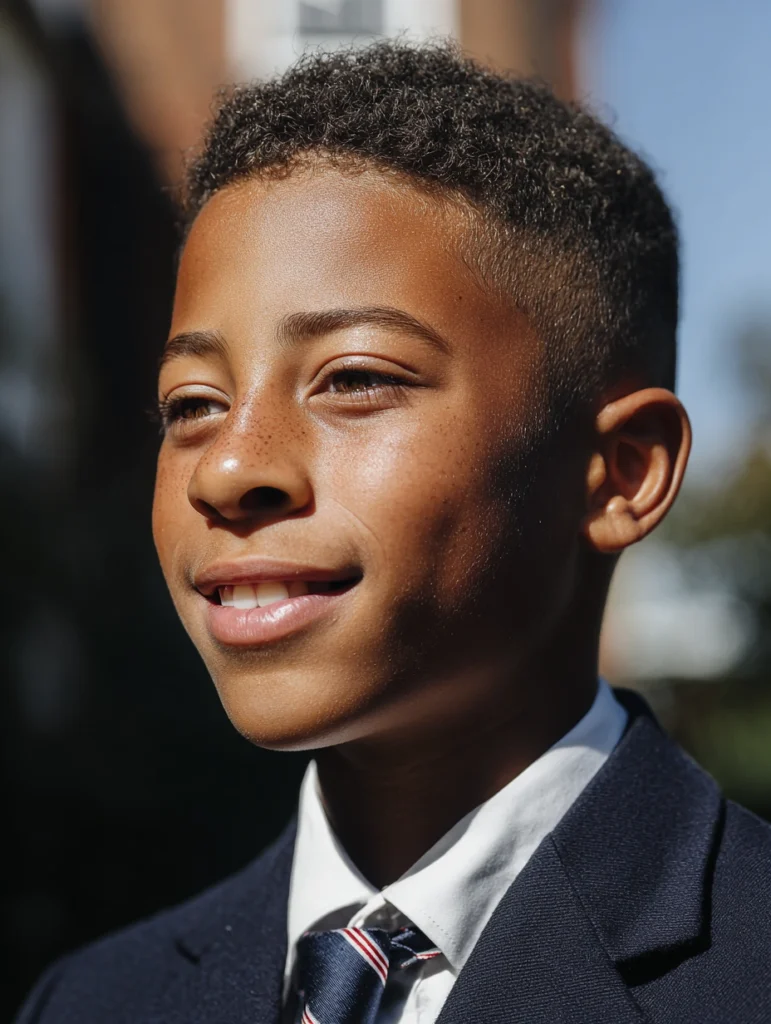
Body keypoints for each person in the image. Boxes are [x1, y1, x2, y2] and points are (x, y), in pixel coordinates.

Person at [16, 40, 771, 1024]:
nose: (228, 468)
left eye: (356, 379)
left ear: (621, 472)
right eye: (192, 403)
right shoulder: (90, 1002)